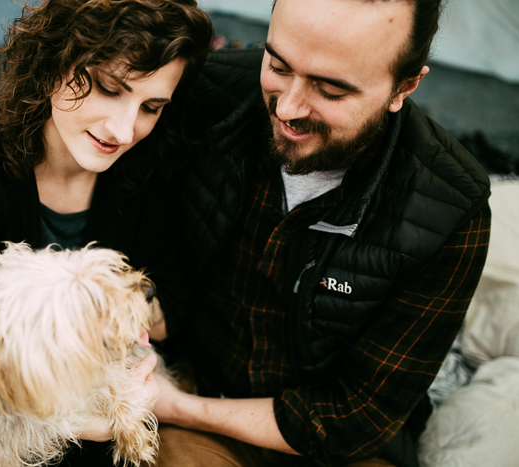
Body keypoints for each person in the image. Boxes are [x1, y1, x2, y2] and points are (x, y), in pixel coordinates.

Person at [151, 0, 491, 466]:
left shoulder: (450, 206)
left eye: (331, 90)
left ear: (403, 87)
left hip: (340, 447)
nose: (287, 108)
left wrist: (180, 408)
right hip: (193, 388)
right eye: (277, 65)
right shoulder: (199, 90)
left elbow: (359, 417)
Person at [0, 0, 212, 465]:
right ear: (53, 60)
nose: (124, 131)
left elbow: (171, 308)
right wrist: (96, 425)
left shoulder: (147, 166)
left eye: (151, 106)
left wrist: (110, 307)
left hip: (106, 397)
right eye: (108, 88)